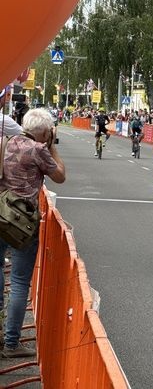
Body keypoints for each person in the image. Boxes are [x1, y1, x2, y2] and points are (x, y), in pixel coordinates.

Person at [0, 108, 65, 357]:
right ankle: (12, 343)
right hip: (22, 224)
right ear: (46, 131)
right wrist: (52, 147)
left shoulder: (4, 143)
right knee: (18, 281)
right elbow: (60, 176)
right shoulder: (38, 150)